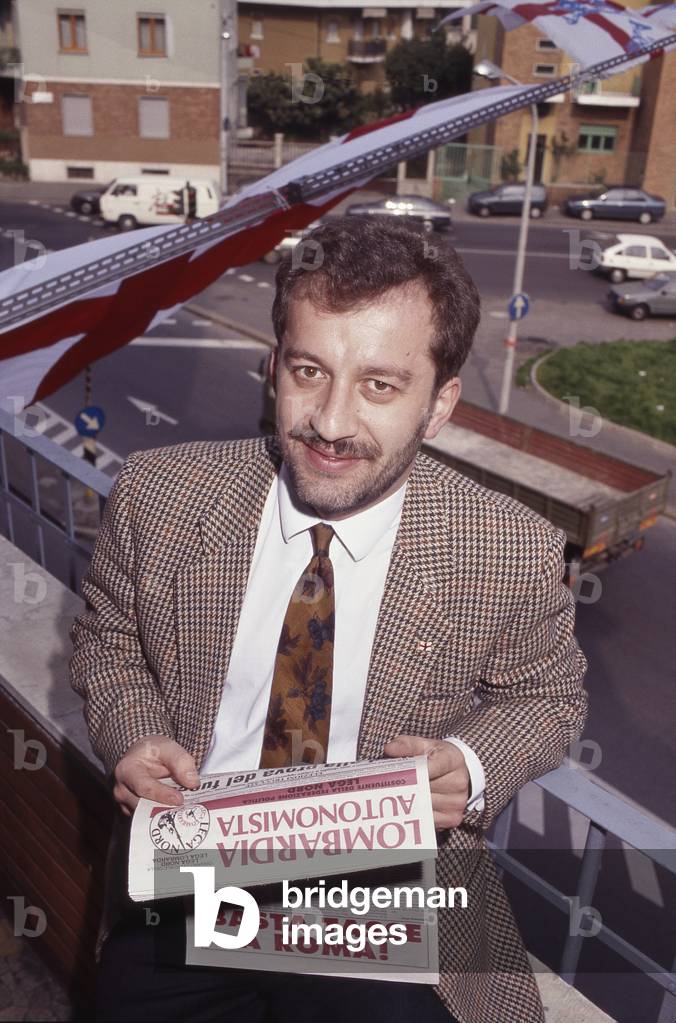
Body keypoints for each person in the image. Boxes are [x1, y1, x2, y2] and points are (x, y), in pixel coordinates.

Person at [70, 215, 588, 1023]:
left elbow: (552, 698)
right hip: (193, 879)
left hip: (384, 902)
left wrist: (472, 764)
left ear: (440, 403)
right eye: (310, 371)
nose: (333, 423)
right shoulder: (157, 493)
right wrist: (133, 733)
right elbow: (108, 635)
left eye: (380, 385)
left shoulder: (512, 548)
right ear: (273, 368)